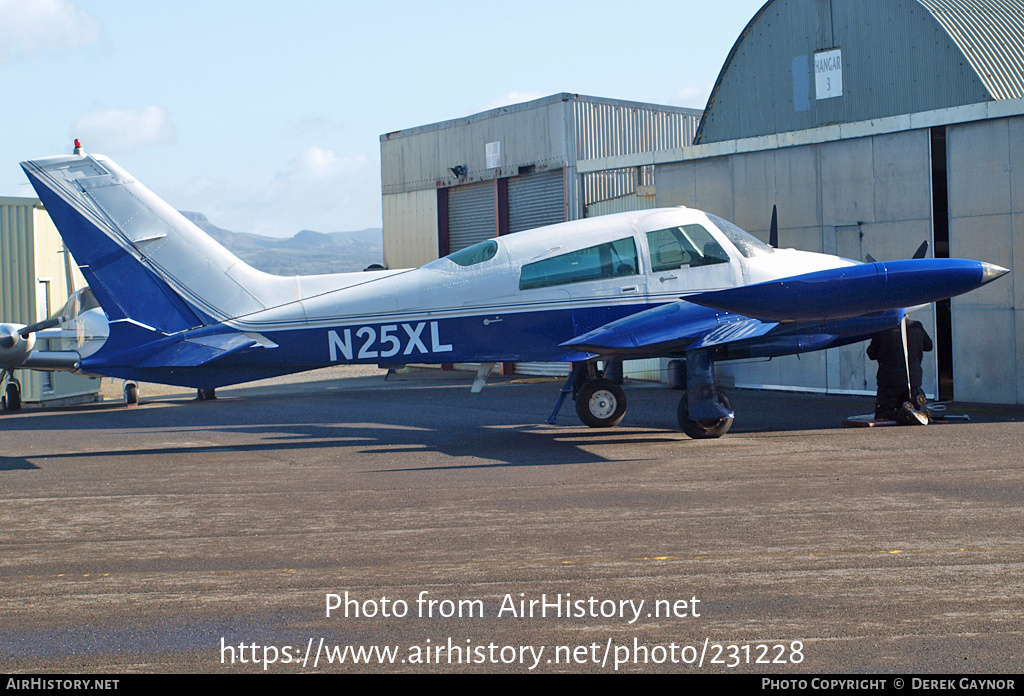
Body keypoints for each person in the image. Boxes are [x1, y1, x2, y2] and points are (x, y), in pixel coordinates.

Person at [866, 319, 933, 423]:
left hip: (889, 382)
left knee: (883, 412)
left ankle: (904, 413)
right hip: (913, 380)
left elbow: (871, 354)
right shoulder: (916, 326)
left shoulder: (883, 329)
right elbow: (929, 346)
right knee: (913, 400)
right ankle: (916, 410)